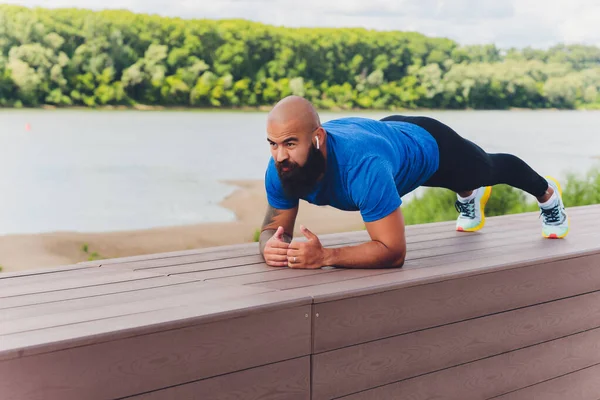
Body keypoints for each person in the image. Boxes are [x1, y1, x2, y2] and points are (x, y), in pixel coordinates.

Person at [258, 96, 569, 270]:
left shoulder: (364, 169)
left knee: (486, 168)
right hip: (387, 140)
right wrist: (271, 247)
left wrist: (326, 256)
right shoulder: (281, 168)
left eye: (289, 143)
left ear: (317, 138)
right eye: (273, 144)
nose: (280, 155)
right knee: (462, 179)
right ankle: (467, 194)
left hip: (430, 146)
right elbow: (273, 230)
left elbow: (394, 252)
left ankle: (548, 196)